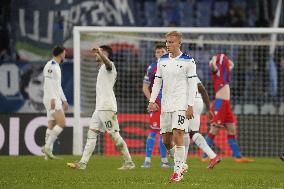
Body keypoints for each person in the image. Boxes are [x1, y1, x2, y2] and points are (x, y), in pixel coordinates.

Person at [67, 45, 135, 170]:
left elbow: (108, 63)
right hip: (99, 108)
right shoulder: (101, 69)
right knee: (91, 134)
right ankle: (82, 163)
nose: (95, 55)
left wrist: (100, 51)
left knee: (115, 135)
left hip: (107, 107)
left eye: (98, 53)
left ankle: (129, 162)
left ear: (104, 53)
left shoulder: (110, 66)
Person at [148, 31, 197, 182]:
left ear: (179, 44)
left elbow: (193, 84)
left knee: (178, 134)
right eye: (167, 42)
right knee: (166, 141)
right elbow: (157, 82)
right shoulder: (162, 60)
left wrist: (190, 105)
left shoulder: (189, 61)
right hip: (166, 105)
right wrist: (152, 100)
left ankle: (177, 172)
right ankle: (181, 163)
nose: (168, 45)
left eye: (171, 42)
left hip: (181, 105)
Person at [202, 53, 254, 163]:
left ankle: (238, 157)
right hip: (220, 104)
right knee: (214, 130)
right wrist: (214, 58)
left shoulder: (225, 74)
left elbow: (231, 64)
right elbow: (212, 65)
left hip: (226, 105)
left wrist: (225, 59)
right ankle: (205, 155)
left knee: (231, 129)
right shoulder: (216, 72)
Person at [141, 43, 173, 169]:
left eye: (162, 52)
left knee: (165, 132)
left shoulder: (172, 66)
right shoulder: (152, 68)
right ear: (155, 54)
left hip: (169, 102)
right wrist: (152, 101)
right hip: (157, 103)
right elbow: (145, 87)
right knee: (154, 131)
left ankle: (164, 162)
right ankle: (147, 161)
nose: (159, 54)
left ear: (166, 52)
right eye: (157, 52)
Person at [184, 77, 221, 169]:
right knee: (193, 132)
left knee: (183, 131)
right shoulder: (192, 73)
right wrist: (208, 109)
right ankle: (213, 156)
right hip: (198, 101)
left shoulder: (177, 70)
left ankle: (182, 163)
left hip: (187, 102)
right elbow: (203, 90)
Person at [42, 45, 68, 160]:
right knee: (62, 123)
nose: (65, 54)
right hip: (51, 99)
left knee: (51, 124)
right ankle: (47, 147)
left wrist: (64, 100)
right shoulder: (51, 66)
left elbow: (57, 86)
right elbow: (48, 83)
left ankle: (47, 155)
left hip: (53, 98)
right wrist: (53, 98)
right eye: (64, 52)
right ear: (61, 53)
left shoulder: (56, 66)